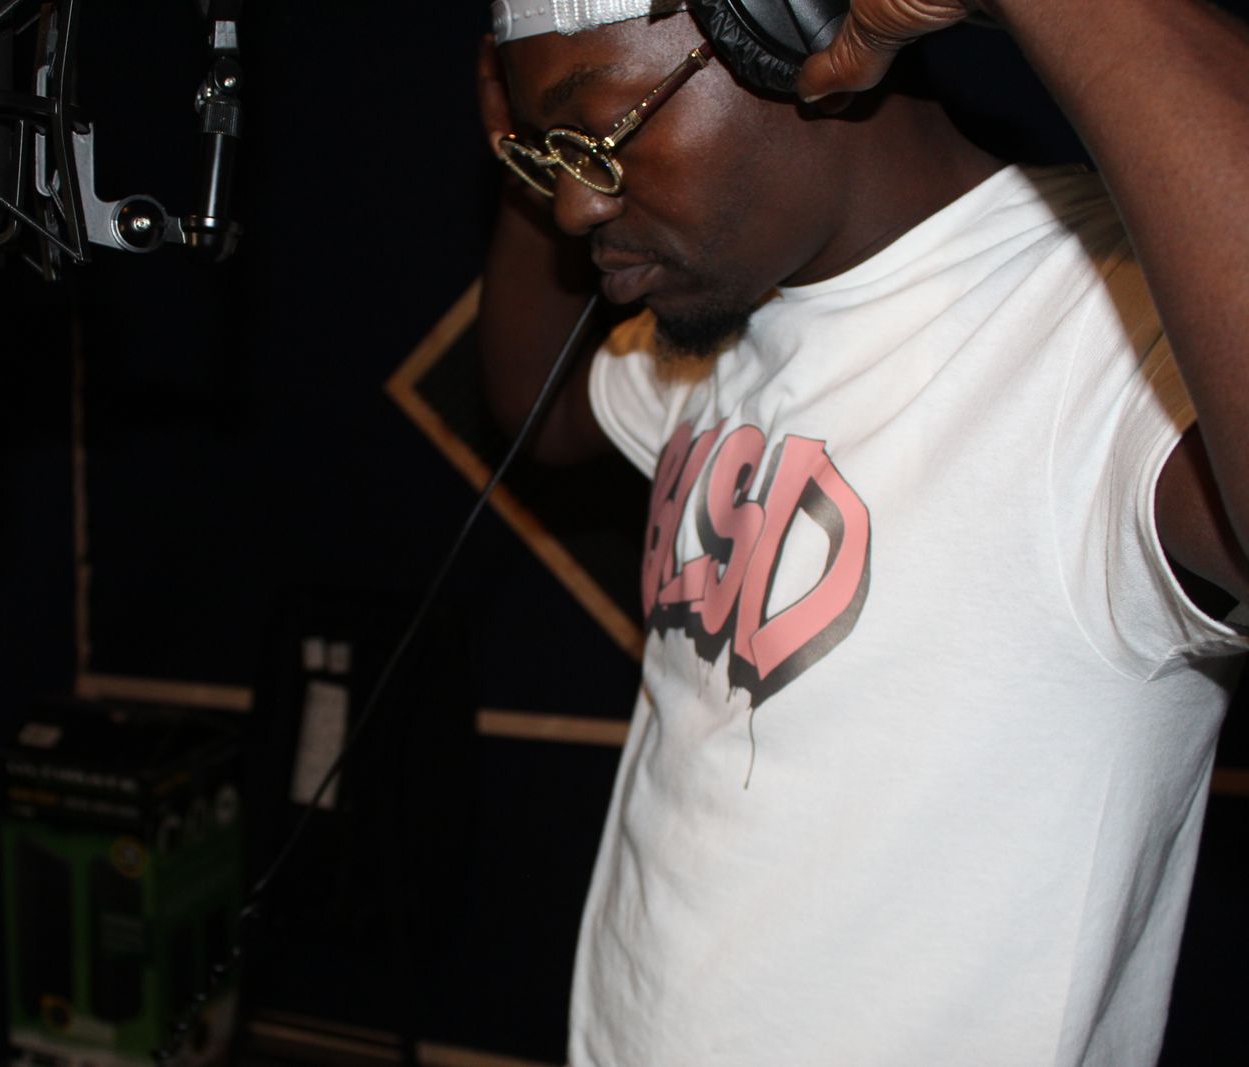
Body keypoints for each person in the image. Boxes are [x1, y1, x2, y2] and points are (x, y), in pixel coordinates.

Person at [474, 1, 1249, 1063]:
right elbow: (539, 409)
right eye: (551, 157)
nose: (571, 207)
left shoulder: (1111, 332)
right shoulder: (730, 308)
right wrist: (534, 151)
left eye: (598, 130)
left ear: (782, 25)